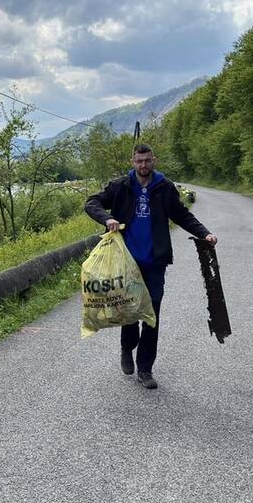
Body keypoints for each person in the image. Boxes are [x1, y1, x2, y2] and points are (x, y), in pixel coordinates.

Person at [84, 144, 217, 389]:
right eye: (139, 161)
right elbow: (91, 203)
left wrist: (204, 234)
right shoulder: (120, 186)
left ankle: (145, 369)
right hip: (127, 263)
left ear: (154, 160)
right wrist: (108, 218)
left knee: (151, 316)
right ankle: (127, 347)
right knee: (129, 313)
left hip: (155, 263)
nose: (143, 165)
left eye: (147, 160)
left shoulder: (164, 188)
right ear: (132, 161)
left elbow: (182, 215)